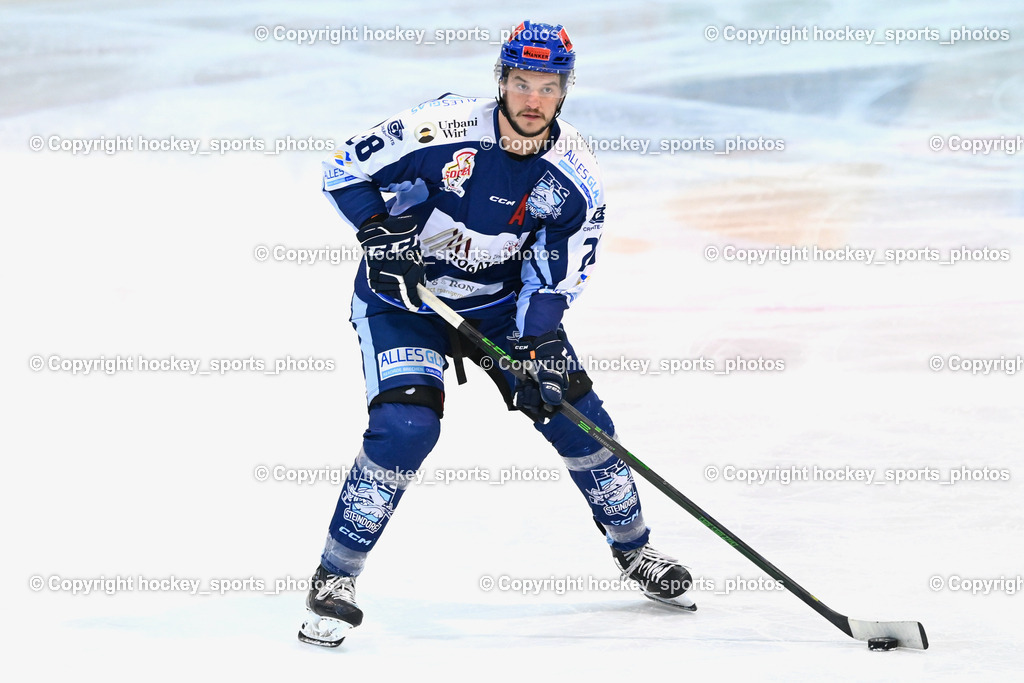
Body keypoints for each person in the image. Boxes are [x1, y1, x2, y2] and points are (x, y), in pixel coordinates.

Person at [299, 20, 693, 648]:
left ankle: (635, 551)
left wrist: (535, 349)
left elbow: (555, 277)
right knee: (407, 426)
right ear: (501, 83)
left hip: (502, 310)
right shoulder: (441, 128)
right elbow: (343, 169)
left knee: (577, 416)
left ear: (564, 91)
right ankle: (335, 577)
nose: (532, 99)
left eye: (547, 86)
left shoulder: (574, 180)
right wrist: (377, 231)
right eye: (520, 83)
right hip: (405, 300)